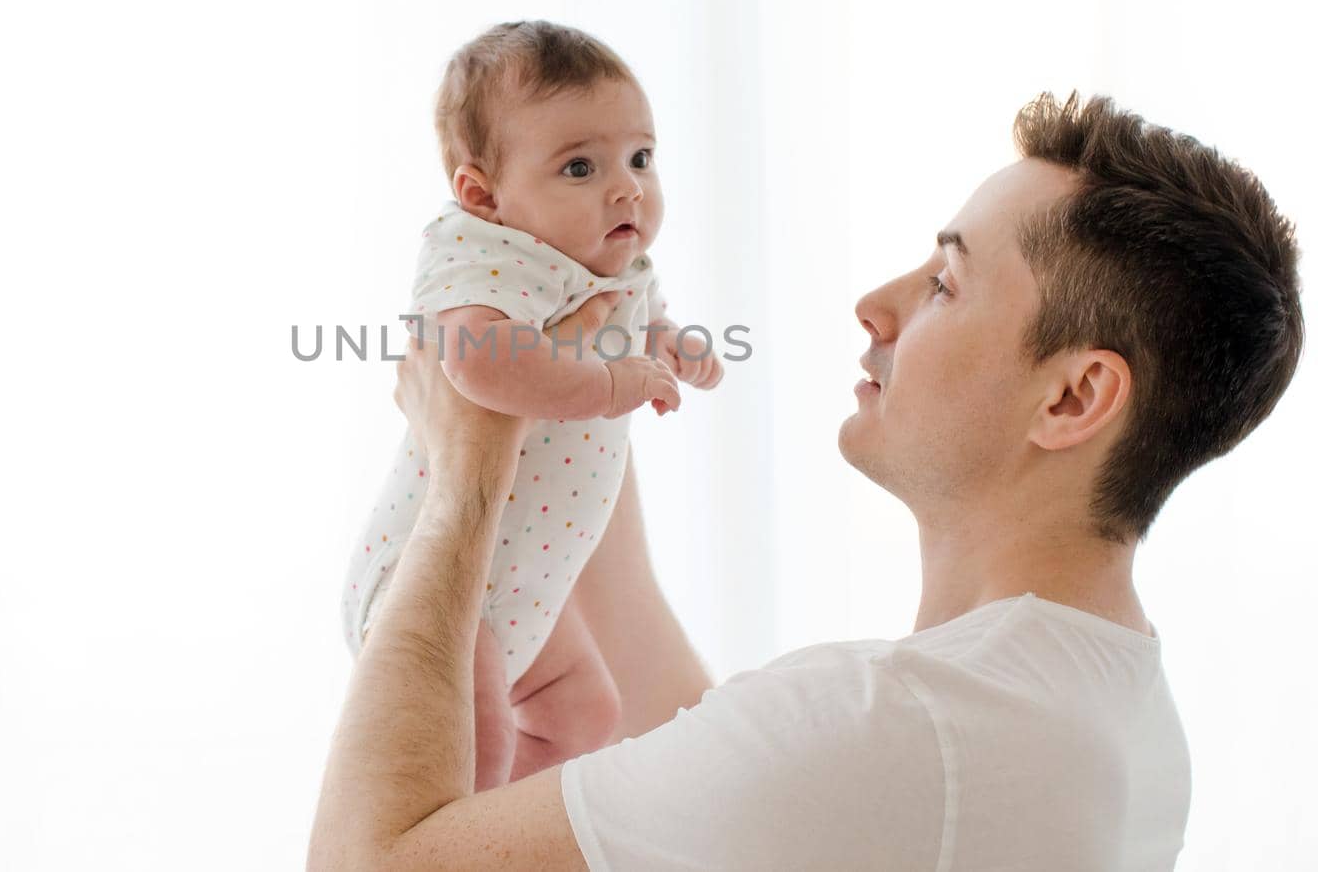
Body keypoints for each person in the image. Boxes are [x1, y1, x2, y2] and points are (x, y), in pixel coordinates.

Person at [308, 93, 1304, 870]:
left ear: (1073, 394)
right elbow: (714, 770)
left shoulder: (896, 724)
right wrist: (576, 392)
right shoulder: (1113, 708)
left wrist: (465, 469)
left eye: (945, 281)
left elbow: (368, 862)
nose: (875, 305)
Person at [339, 21, 723, 791]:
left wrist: (676, 343)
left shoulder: (612, 259)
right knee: (471, 746)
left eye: (640, 158)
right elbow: (477, 362)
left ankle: (503, 833)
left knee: (585, 713)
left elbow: (638, 315)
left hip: (524, 587)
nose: (627, 188)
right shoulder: (481, 253)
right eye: (580, 166)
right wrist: (611, 385)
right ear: (484, 195)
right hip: (437, 579)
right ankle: (462, 834)